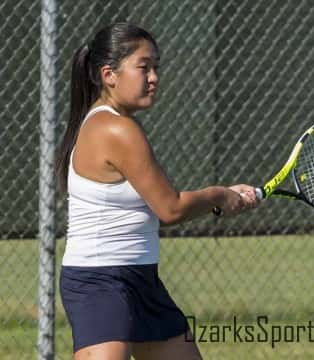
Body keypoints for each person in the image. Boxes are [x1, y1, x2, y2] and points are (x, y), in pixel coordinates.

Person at [55, 22, 258, 360]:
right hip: (100, 283)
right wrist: (219, 196)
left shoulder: (116, 124)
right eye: (143, 67)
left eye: (156, 67)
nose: (154, 77)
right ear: (109, 74)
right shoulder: (116, 129)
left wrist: (218, 198)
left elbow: (156, 209)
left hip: (141, 279)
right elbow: (170, 208)